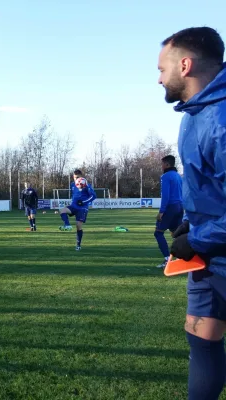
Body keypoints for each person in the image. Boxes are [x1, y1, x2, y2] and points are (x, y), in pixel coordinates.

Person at [158, 26, 226, 399]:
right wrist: (191, 222)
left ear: (185, 65)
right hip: (207, 256)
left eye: (161, 69)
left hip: (213, 246)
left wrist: (197, 237)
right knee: (200, 337)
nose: (158, 79)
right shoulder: (190, 116)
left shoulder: (223, 119)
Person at [154, 155, 183, 269]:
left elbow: (165, 195)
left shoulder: (165, 176)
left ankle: (167, 259)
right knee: (176, 233)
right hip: (180, 207)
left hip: (170, 207)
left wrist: (162, 211)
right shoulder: (178, 176)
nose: (161, 166)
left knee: (158, 233)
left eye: (162, 164)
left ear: (167, 164)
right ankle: (183, 257)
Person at [58, 169, 97, 251]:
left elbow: (93, 196)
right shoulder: (72, 184)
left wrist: (83, 202)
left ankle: (78, 245)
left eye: (78, 177)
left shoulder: (86, 184)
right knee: (62, 210)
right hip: (73, 206)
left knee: (78, 227)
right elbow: (75, 195)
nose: (76, 179)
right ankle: (67, 225)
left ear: (81, 176)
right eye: (75, 177)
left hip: (82, 208)